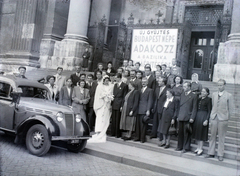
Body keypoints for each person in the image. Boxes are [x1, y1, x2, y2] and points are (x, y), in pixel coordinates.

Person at [205, 79, 234, 161]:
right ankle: (211, 152)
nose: (219, 87)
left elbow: (231, 108)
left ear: (224, 85)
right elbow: (213, 105)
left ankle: (220, 154)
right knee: (212, 136)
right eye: (218, 85)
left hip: (223, 118)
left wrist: (227, 117)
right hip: (214, 117)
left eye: (221, 85)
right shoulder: (214, 94)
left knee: (221, 137)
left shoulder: (229, 95)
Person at [89, 76, 114, 143]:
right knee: (99, 118)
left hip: (107, 105)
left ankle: (103, 132)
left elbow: (111, 95)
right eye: (105, 80)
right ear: (103, 80)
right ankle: (98, 132)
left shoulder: (111, 87)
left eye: (107, 80)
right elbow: (97, 96)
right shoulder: (99, 87)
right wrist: (103, 96)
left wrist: (109, 98)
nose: (106, 81)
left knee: (105, 119)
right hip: (101, 105)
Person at [176, 81, 197, 153]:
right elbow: (179, 106)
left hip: (188, 116)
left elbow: (194, 108)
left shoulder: (193, 95)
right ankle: (179, 146)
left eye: (185, 87)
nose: (183, 88)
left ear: (189, 87)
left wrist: (192, 117)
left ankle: (186, 147)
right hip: (181, 116)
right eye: (183, 86)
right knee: (180, 133)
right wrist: (178, 115)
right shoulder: (182, 95)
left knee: (186, 133)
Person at [192, 87, 212, 156]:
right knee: (197, 133)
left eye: (204, 92)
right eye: (202, 91)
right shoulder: (199, 99)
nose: (202, 93)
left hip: (204, 116)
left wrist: (207, 119)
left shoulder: (209, 100)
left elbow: (209, 111)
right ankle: (198, 147)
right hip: (198, 116)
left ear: (207, 93)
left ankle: (201, 148)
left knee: (201, 133)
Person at [134, 77, 153, 143]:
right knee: (138, 124)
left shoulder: (150, 90)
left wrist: (148, 110)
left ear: (147, 83)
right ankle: (137, 137)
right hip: (139, 109)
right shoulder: (139, 90)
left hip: (144, 109)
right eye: (142, 82)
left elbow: (150, 101)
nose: (143, 83)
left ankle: (142, 138)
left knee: (143, 125)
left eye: (145, 82)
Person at [111, 73, 128, 138]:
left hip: (120, 102)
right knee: (114, 118)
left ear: (120, 78)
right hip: (114, 102)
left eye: (117, 78)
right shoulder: (115, 85)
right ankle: (113, 132)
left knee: (118, 119)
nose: (115, 79)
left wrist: (122, 105)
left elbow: (124, 96)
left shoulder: (124, 85)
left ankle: (118, 134)